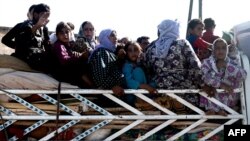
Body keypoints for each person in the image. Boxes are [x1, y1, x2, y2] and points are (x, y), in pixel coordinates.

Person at [143, 19, 202, 112]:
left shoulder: (151, 47)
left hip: (160, 93)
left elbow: (145, 69)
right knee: (188, 120)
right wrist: (203, 84)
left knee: (164, 123)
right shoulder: (182, 43)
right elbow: (196, 66)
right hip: (184, 92)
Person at [200, 38, 247, 115]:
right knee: (209, 85)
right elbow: (204, 77)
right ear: (213, 50)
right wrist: (220, 85)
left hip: (228, 96)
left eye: (223, 48)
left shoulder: (231, 62)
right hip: (212, 93)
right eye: (217, 48)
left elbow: (243, 75)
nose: (221, 51)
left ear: (227, 50)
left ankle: (223, 109)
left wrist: (226, 65)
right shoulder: (207, 62)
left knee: (232, 81)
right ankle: (212, 109)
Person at [8, 3, 51, 72]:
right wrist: (17, 47)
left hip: (37, 56)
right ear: (34, 14)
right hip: (28, 58)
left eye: (47, 15)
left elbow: (46, 46)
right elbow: (7, 40)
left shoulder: (44, 28)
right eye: (43, 14)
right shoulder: (24, 26)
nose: (45, 17)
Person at [51, 22, 92, 88]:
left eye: (67, 32)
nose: (65, 35)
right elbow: (64, 61)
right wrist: (80, 56)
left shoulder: (67, 45)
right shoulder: (59, 45)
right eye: (62, 33)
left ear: (71, 34)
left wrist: (78, 55)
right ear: (57, 35)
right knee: (78, 65)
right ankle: (91, 85)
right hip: (61, 73)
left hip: (66, 72)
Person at [89, 29, 124, 96]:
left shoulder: (109, 52)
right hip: (108, 93)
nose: (116, 38)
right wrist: (112, 86)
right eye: (112, 35)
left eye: (116, 36)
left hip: (113, 92)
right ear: (105, 38)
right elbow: (100, 78)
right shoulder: (102, 52)